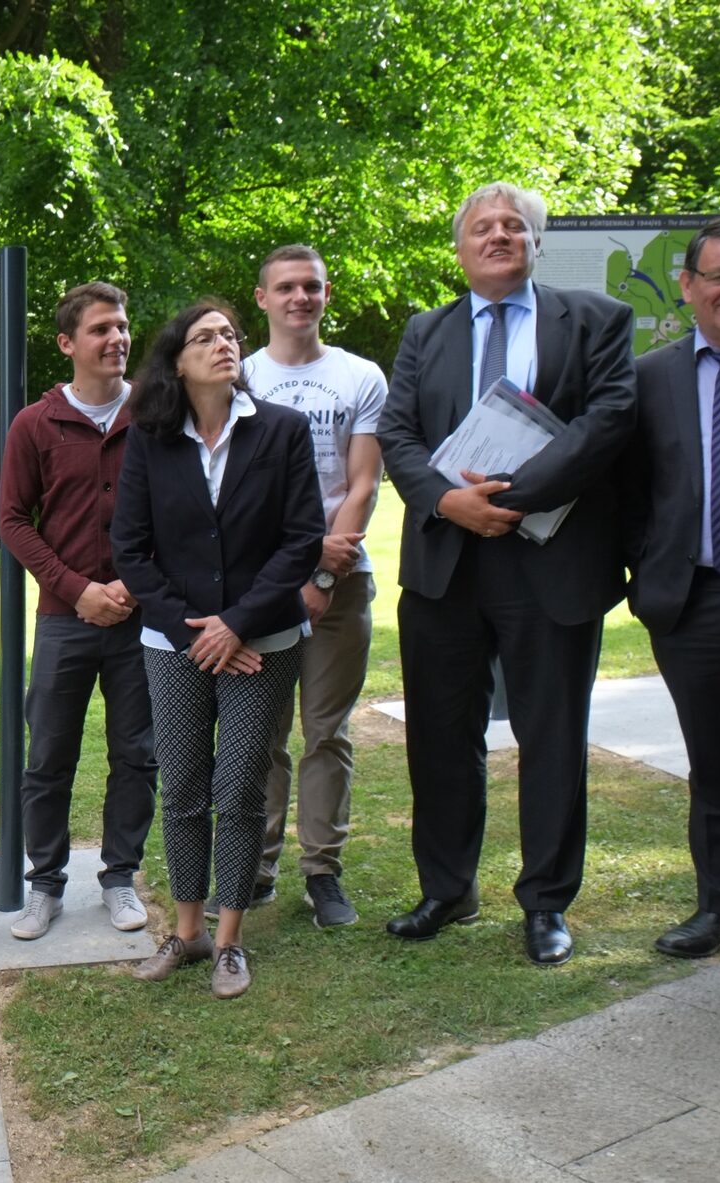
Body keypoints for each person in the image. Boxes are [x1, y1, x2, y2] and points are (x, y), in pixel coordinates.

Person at [376, 182, 637, 966]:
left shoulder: (594, 319)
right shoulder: (425, 331)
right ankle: (448, 888)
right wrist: (448, 501)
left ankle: (547, 902)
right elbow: (397, 432)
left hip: (550, 561)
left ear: (536, 242)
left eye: (515, 226)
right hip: (446, 567)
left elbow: (608, 420)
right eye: (483, 227)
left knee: (550, 735)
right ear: (460, 249)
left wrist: (512, 498)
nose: (500, 235)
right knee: (439, 735)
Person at [111, 302, 325, 998]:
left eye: (229, 335)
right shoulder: (150, 437)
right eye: (204, 337)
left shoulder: (282, 430)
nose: (223, 344)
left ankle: (229, 941)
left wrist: (235, 625)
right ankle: (188, 932)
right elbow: (130, 549)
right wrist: (199, 634)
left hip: (265, 639)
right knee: (182, 788)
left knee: (238, 788)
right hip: (175, 642)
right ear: (177, 361)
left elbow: (302, 539)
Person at [234, 245, 388, 929]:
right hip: (260, 586)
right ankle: (255, 867)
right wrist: (289, 569)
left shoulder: (360, 377)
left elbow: (364, 484)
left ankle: (322, 871)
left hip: (340, 584)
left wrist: (324, 574)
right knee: (260, 733)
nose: (301, 297)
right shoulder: (239, 376)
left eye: (313, 287)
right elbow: (232, 488)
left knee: (327, 732)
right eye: (287, 287)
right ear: (262, 298)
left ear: (327, 295)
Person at [0, 282, 156, 940]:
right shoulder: (35, 424)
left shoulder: (155, 415)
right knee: (48, 757)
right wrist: (77, 589)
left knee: (137, 756)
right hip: (64, 620)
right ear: (67, 343)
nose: (116, 338)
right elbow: (13, 519)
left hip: (142, 621)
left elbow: (178, 511)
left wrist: (133, 589)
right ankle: (45, 885)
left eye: (121, 326)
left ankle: (120, 878)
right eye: (100, 329)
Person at [627, 216, 720, 958]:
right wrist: (647, 576)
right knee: (717, 762)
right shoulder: (652, 378)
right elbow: (627, 493)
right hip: (699, 598)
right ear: (689, 285)